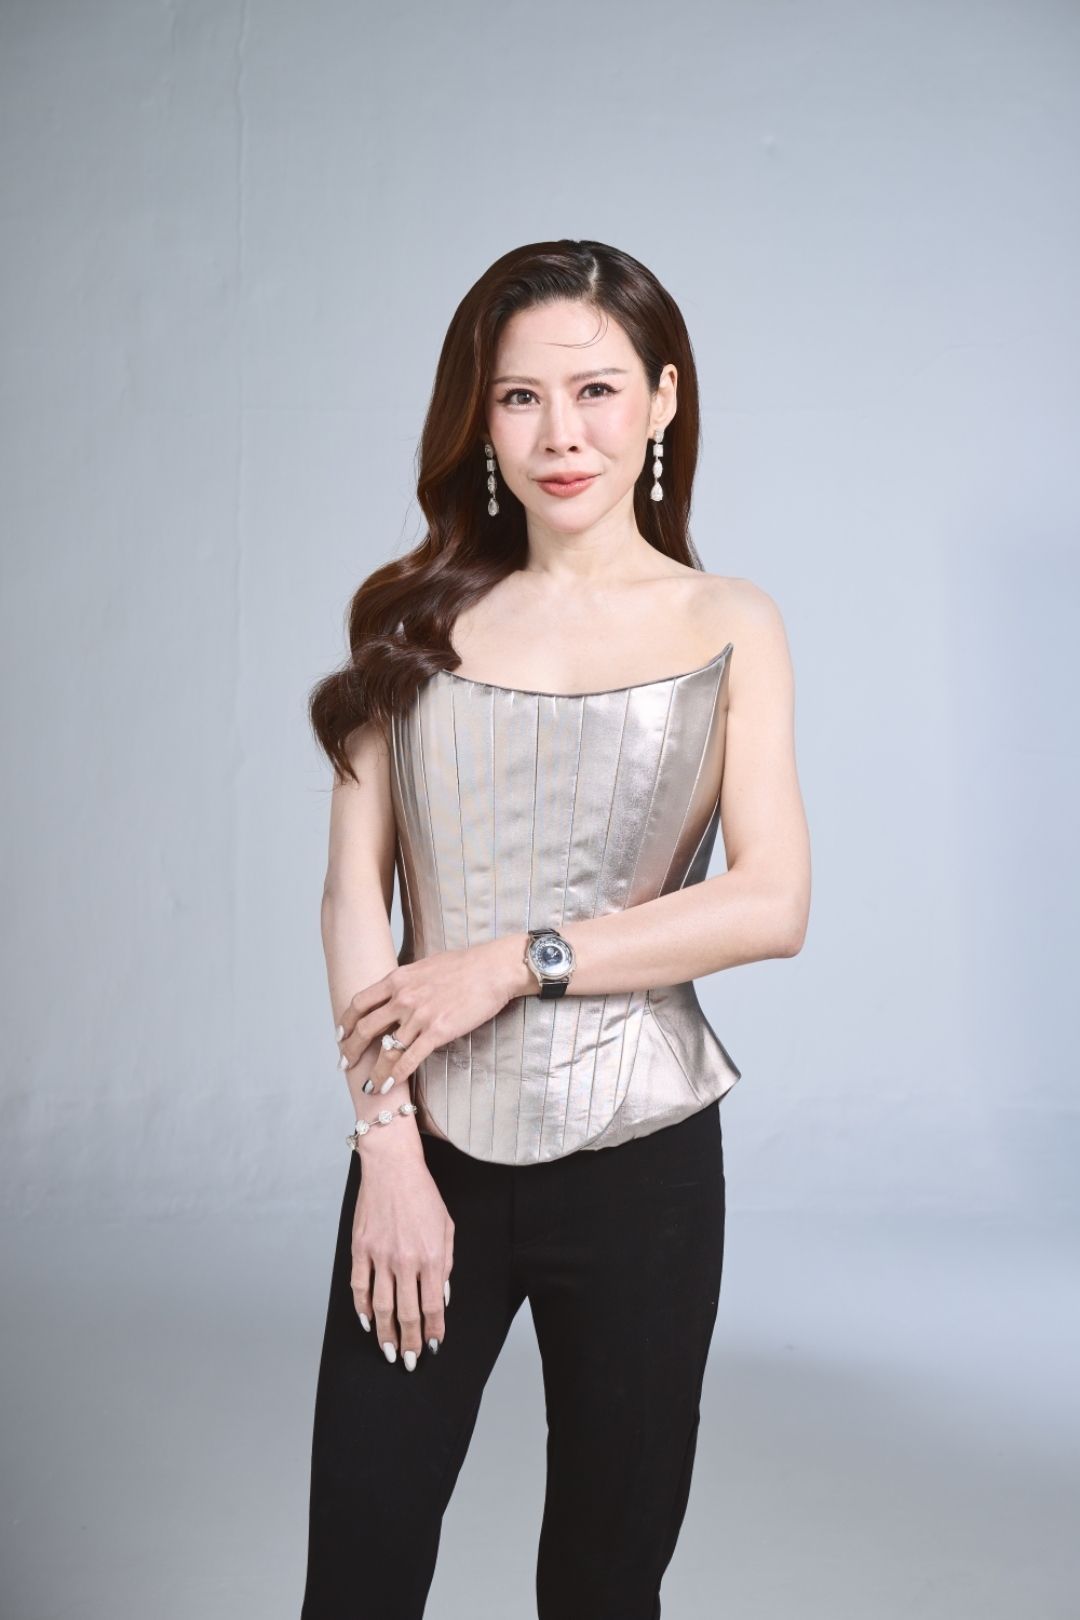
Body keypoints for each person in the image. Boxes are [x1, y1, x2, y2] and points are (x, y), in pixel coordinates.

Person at [300, 238, 811, 1619]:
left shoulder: (729, 622)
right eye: (520, 397)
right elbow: (352, 900)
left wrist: (511, 962)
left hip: (645, 1164)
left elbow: (772, 901)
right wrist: (386, 1151)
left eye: (595, 391)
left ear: (662, 399)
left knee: (604, 1583)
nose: (559, 435)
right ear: (480, 417)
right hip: (427, 1156)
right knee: (358, 1573)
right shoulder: (407, 620)